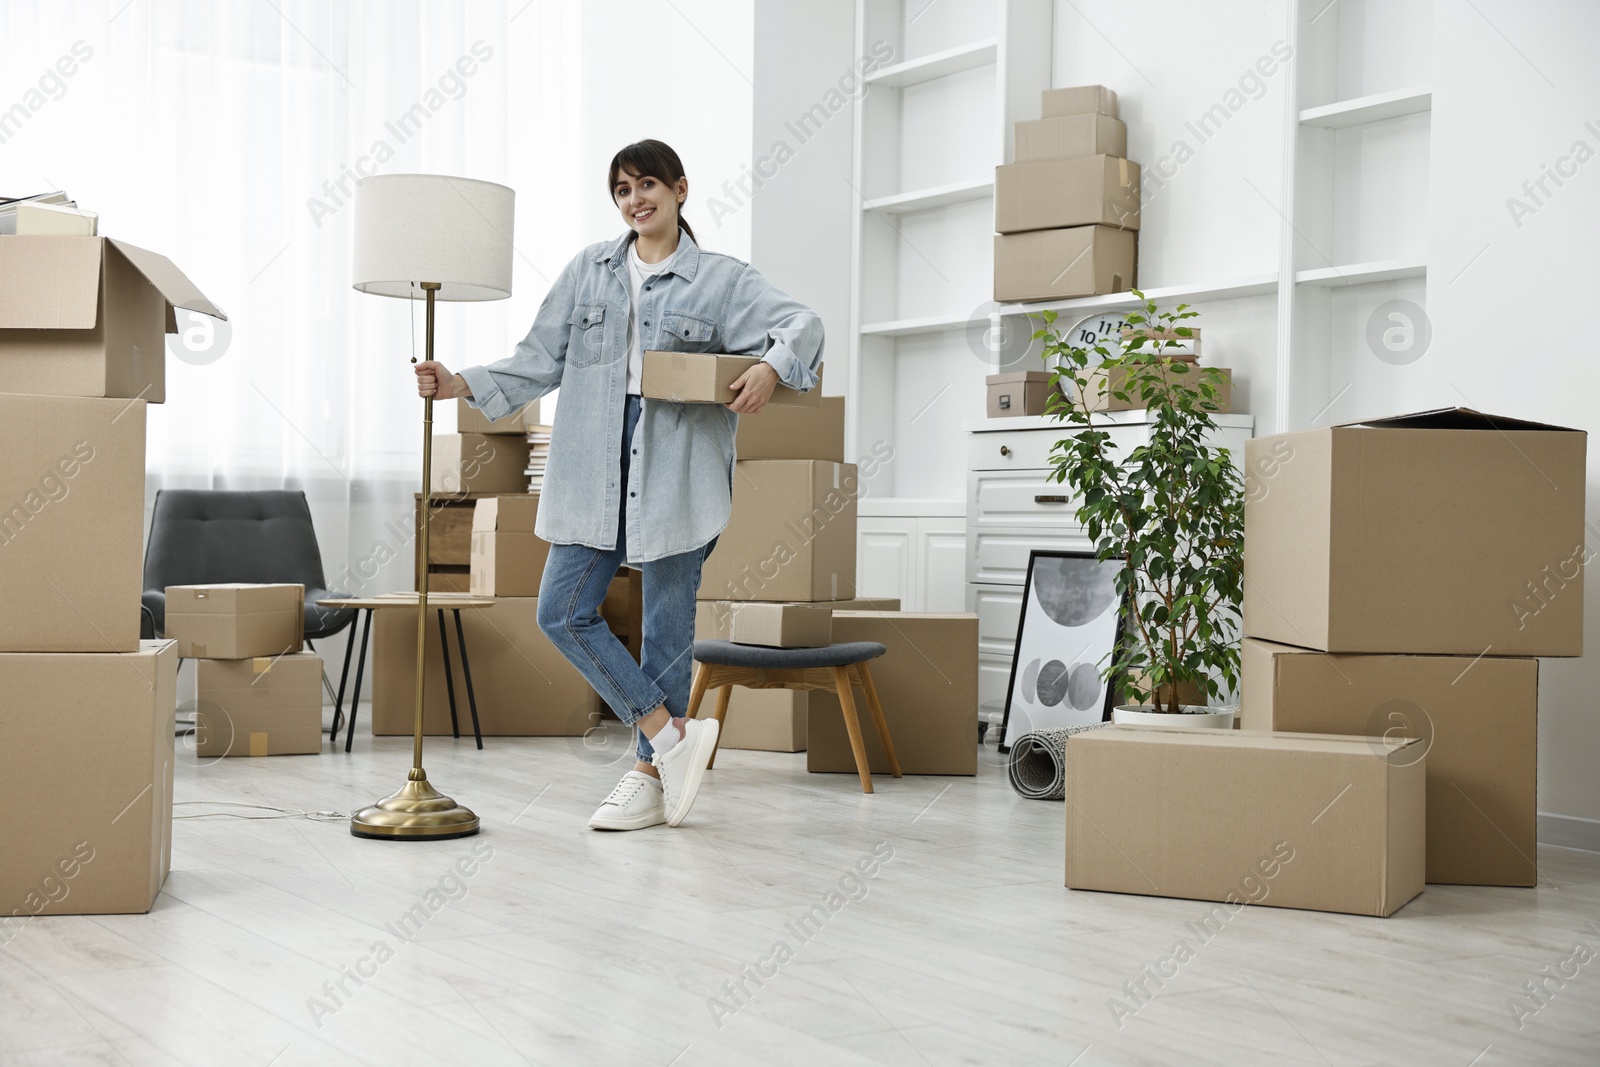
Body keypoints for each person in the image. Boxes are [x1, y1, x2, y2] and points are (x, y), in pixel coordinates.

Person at [414, 139, 823, 831]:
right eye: (624, 190)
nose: (636, 200)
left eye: (648, 185)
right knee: (561, 609)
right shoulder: (588, 272)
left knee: (666, 631)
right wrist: (461, 383)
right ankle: (671, 738)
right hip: (592, 459)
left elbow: (801, 323)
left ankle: (646, 775)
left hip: (678, 463)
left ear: (681, 190)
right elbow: (539, 358)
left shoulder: (721, 280)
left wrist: (772, 368)